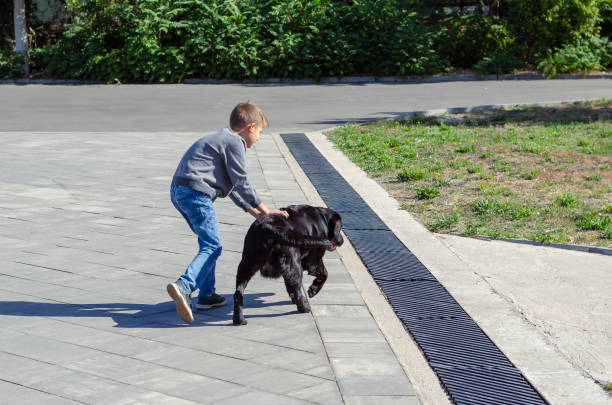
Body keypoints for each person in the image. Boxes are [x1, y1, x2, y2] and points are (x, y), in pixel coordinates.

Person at [166, 101, 288, 324]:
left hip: (180, 191)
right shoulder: (235, 141)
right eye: (260, 132)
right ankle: (184, 286)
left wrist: (255, 213)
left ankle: (207, 295)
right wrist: (266, 209)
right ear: (250, 127)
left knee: (207, 244)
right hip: (196, 193)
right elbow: (242, 181)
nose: (259, 138)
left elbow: (232, 187)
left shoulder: (221, 139)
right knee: (213, 246)